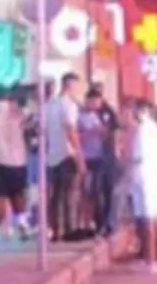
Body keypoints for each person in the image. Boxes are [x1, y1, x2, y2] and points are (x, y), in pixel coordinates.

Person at [44, 73, 85, 241]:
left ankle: (56, 230)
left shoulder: (49, 105)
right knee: (70, 195)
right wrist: (80, 156)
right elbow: (71, 130)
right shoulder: (68, 105)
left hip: (52, 156)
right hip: (67, 155)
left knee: (55, 196)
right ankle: (70, 229)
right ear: (70, 85)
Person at [128, 100, 157, 273]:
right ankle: (156, 259)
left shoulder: (145, 129)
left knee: (149, 220)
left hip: (146, 177)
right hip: (150, 177)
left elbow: (138, 156)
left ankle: (152, 260)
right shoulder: (152, 129)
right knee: (151, 219)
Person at [0, 86, 30, 240]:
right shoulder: (20, 113)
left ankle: (1, 229)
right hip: (18, 161)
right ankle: (22, 224)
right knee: (19, 193)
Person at [78, 89, 113, 238]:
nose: (98, 105)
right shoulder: (79, 116)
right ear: (88, 100)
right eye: (95, 102)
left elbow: (103, 134)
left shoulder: (97, 116)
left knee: (101, 192)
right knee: (90, 192)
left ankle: (102, 224)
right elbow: (75, 136)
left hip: (99, 157)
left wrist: (104, 132)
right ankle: (90, 223)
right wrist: (92, 132)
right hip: (86, 158)